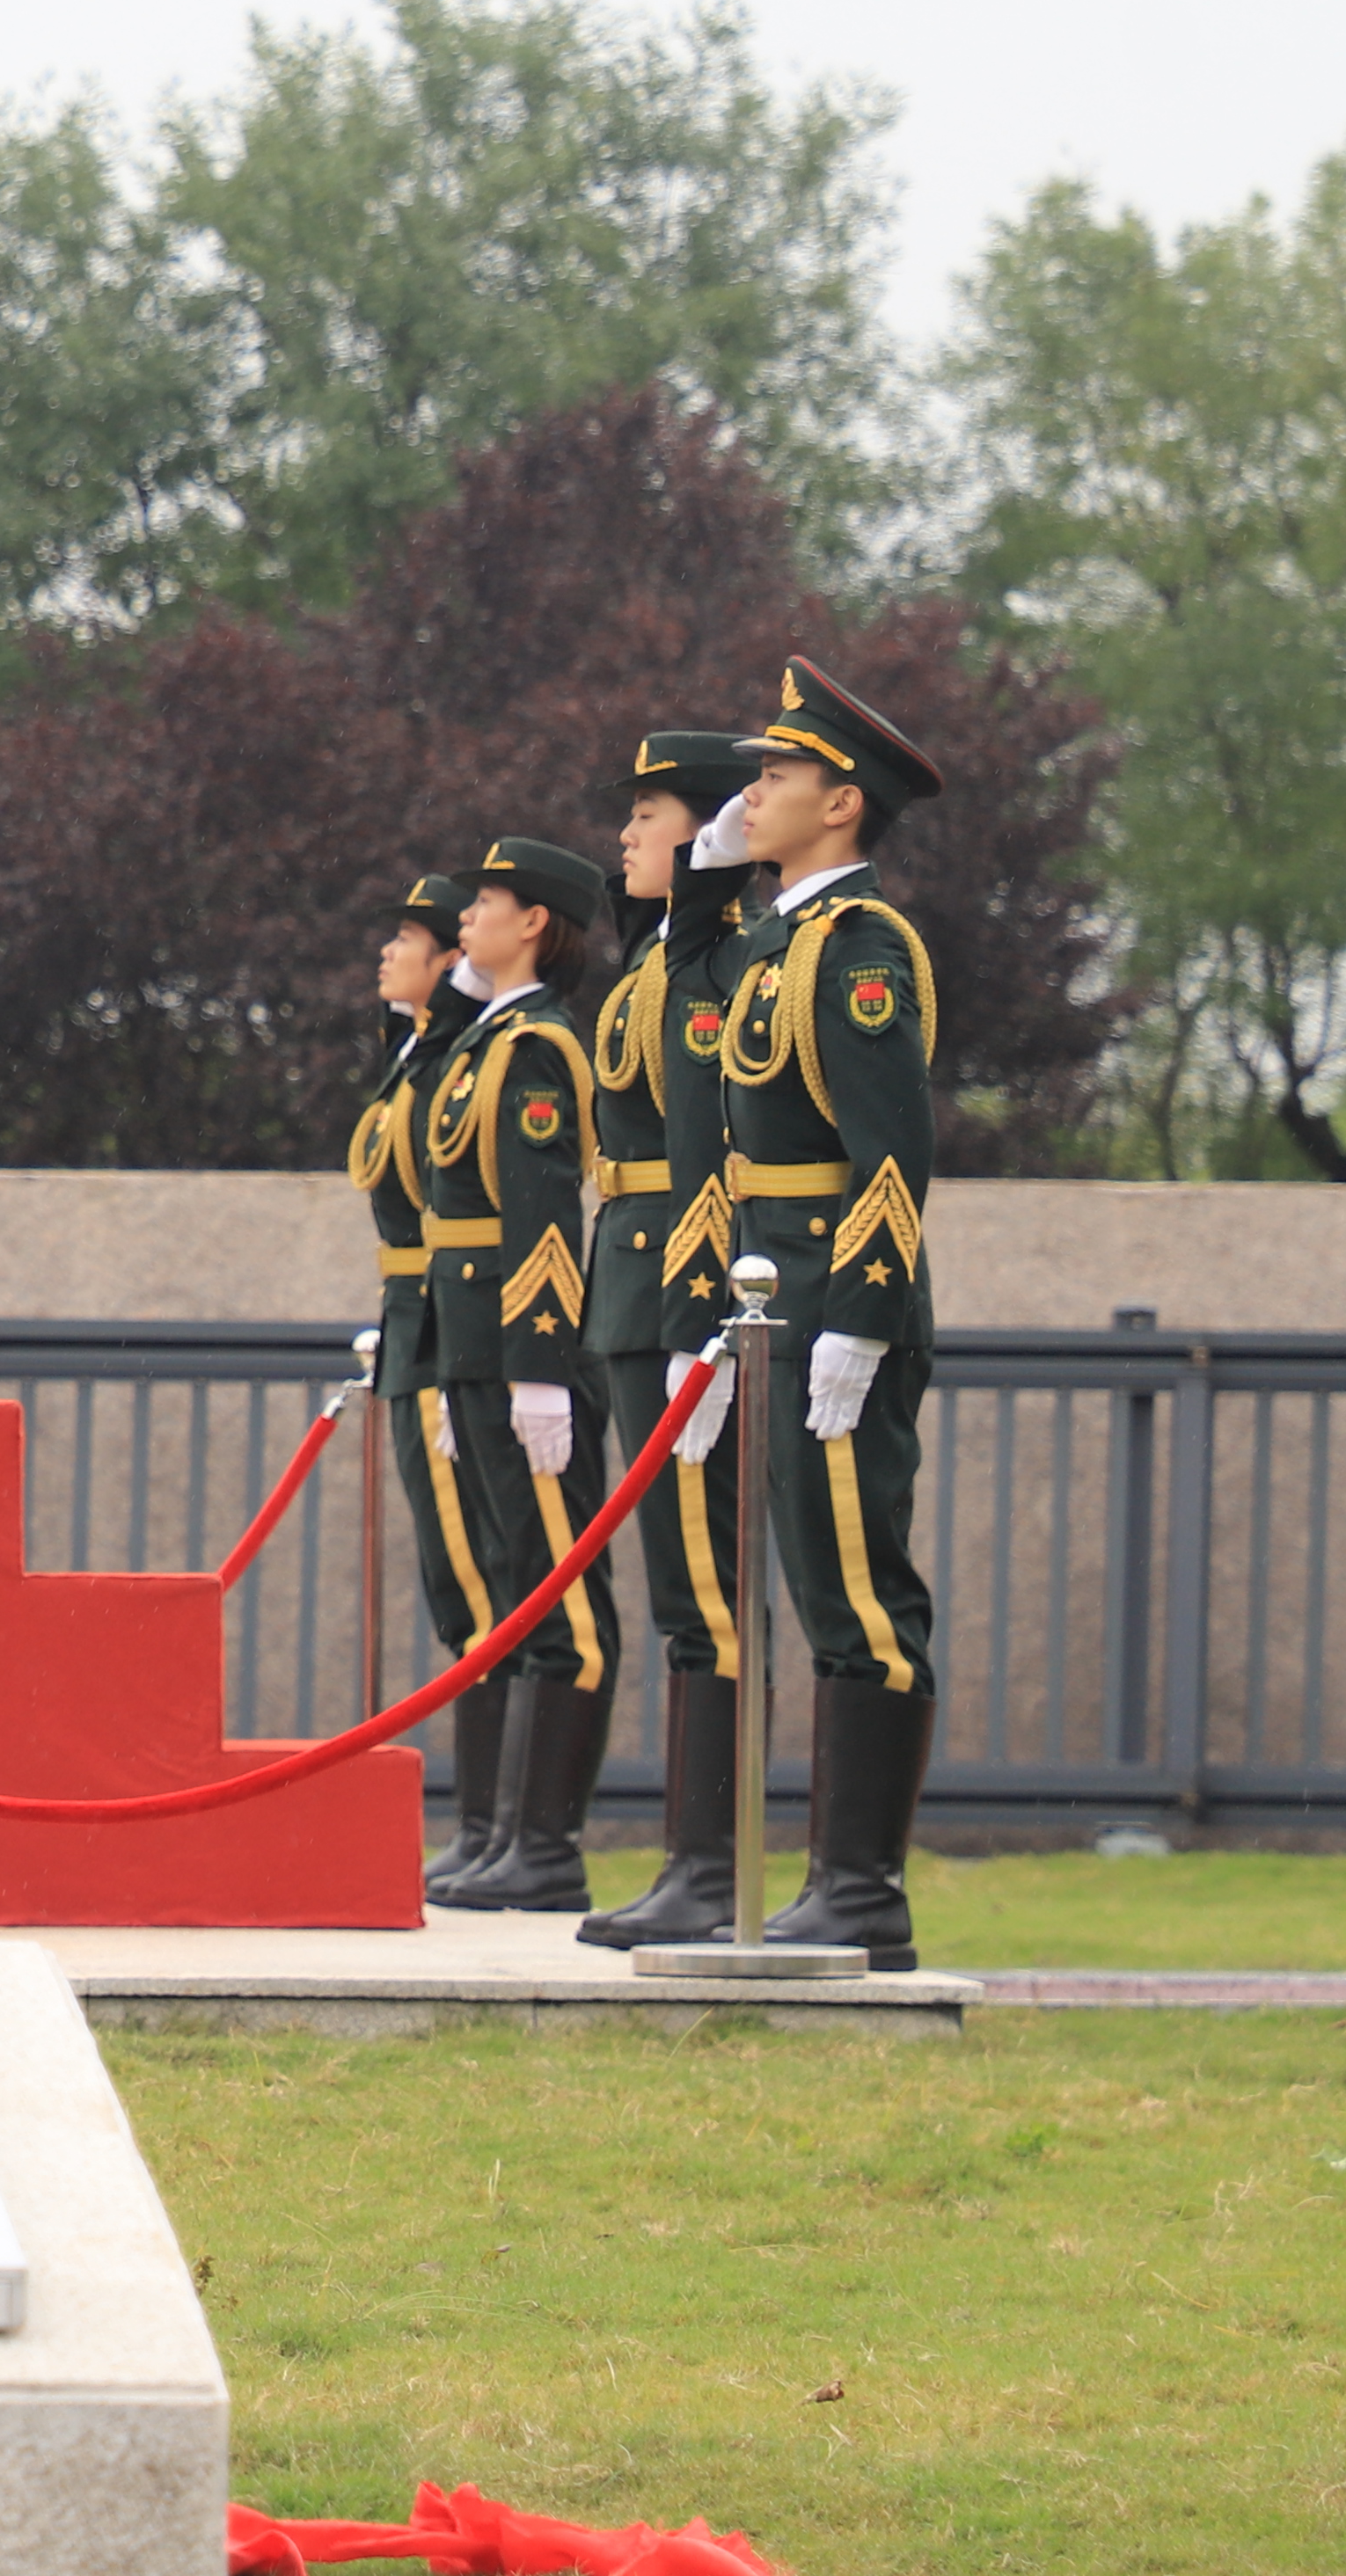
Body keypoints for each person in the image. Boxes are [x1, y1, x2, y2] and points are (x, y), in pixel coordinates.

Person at [692, 660, 947, 1968]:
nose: (752, 794)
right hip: (773, 1299)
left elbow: (891, 1152)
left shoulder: (857, 951)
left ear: (842, 803)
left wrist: (859, 1315)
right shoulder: (779, 940)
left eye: (777, 777)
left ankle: (864, 1888)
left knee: (856, 1586)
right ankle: (832, 1881)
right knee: (809, 1578)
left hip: (837, 1303)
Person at [580, 728, 766, 1952]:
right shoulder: (656, 962)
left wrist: (699, 1317)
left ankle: (710, 1864)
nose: (628, 839)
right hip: (628, 1277)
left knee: (706, 1587)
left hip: (676, 1284)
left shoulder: (712, 968)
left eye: (652, 821)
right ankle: (684, 1859)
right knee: (675, 1593)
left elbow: (707, 1147)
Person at [420, 836, 622, 1913]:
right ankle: (505, 1834)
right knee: (511, 1591)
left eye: (487, 902)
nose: (468, 918)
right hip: (478, 1352)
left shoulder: (539, 1044)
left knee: (562, 1602)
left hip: (522, 1349)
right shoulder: (489, 1034)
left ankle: (546, 1844)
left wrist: (538, 1366)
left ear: (535, 920)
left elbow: (543, 1210)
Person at [342, 870, 489, 1890]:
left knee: (482, 1584)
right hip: (413, 1319)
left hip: (446, 1322)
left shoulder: (453, 1059)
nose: (386, 954)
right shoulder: (413, 1057)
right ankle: (487, 1831)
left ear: (449, 959)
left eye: (408, 937)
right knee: (457, 1583)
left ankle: (501, 1832)